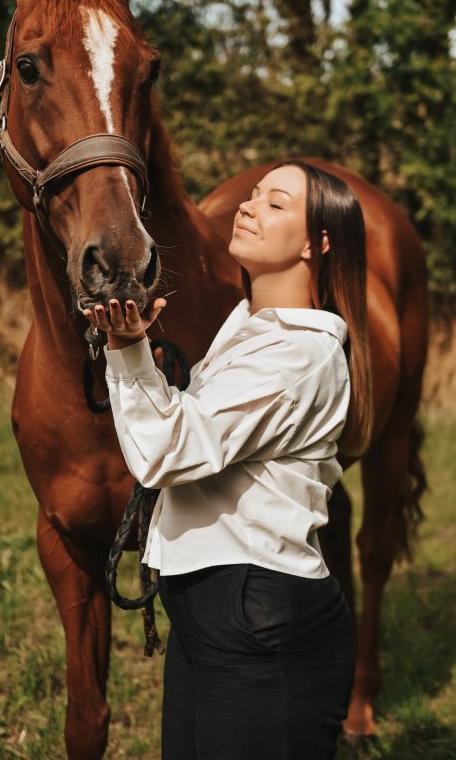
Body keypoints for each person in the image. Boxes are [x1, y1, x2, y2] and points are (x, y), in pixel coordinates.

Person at [82, 159, 373, 760]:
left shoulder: (299, 354)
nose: (248, 205)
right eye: (253, 194)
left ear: (317, 244)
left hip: (261, 621)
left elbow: (167, 451)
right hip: (212, 613)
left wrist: (128, 351)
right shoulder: (248, 329)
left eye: (275, 203)